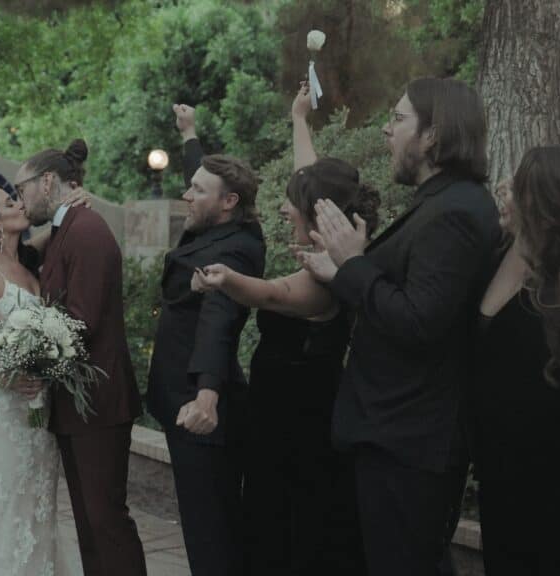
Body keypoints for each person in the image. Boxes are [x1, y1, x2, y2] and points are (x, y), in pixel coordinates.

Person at [297, 77, 501, 576]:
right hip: (396, 434)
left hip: (410, 440)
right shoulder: (439, 202)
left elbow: (418, 320)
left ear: (432, 136)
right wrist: (343, 270)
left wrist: (353, 267)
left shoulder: (456, 212)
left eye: (398, 119)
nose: (387, 131)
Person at [187, 83, 373, 575]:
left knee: (292, 531)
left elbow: (272, 295)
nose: (284, 208)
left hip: (300, 427)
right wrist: (299, 119)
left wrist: (226, 278)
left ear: (316, 213)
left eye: (294, 204)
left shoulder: (326, 276)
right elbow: (305, 180)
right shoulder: (328, 245)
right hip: (278, 414)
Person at [15, 140, 146, 576]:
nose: (20, 198)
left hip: (98, 400)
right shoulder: (63, 228)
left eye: (23, 188)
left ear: (48, 181)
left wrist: (27, 354)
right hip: (77, 402)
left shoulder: (87, 231)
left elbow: (81, 321)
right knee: (90, 523)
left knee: (105, 520)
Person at [472, 143, 560, 575]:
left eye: (517, 181)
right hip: (501, 470)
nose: (504, 188)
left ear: (539, 197)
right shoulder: (495, 255)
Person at [146, 151, 265, 576]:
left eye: (197, 189)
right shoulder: (213, 228)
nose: (187, 194)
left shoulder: (237, 250)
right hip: (180, 401)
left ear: (229, 201)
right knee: (207, 530)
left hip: (199, 411)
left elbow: (220, 319)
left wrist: (207, 394)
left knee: (211, 535)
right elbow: (206, 185)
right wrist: (189, 137)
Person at [0, 182, 83, 574]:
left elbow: (55, 230)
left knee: (39, 501)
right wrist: (9, 377)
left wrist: (71, 203)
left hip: (36, 408)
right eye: (11, 202)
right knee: (5, 502)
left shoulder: (28, 264)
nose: (20, 204)